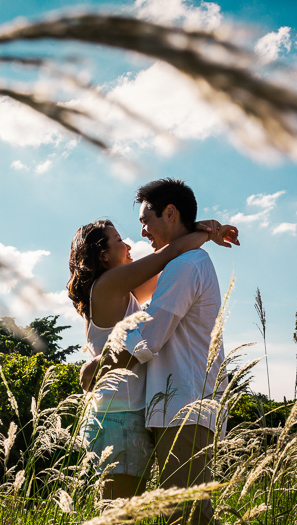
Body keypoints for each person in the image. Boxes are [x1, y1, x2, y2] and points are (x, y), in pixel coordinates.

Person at [68, 215, 238, 501]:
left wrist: (202, 228)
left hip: (129, 414)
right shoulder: (107, 285)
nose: (128, 245)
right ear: (104, 255)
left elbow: (173, 263)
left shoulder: (125, 291)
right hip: (118, 416)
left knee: (126, 513)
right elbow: (168, 254)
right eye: (119, 240)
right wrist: (207, 233)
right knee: (117, 517)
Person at [112, 178, 231, 524]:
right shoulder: (183, 261)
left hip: (185, 408)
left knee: (188, 517)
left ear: (169, 212)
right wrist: (201, 231)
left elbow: (151, 335)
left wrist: (102, 366)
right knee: (184, 514)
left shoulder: (186, 265)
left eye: (145, 220)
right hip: (179, 407)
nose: (144, 231)